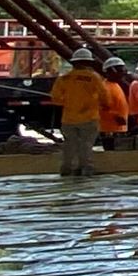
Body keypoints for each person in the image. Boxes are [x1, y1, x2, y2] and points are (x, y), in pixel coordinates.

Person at [49, 47, 107, 178]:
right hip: (89, 118)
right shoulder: (94, 78)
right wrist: (100, 105)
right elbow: (104, 97)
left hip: (69, 119)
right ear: (89, 62)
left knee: (69, 146)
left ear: (74, 62)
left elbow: (55, 99)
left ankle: (67, 169)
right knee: (86, 145)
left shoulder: (64, 78)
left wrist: (70, 103)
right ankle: (85, 170)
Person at [97, 58, 132, 151]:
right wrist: (116, 116)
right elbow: (101, 107)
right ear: (112, 70)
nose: (124, 73)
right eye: (121, 70)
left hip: (117, 128)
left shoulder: (115, 85)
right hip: (110, 129)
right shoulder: (105, 87)